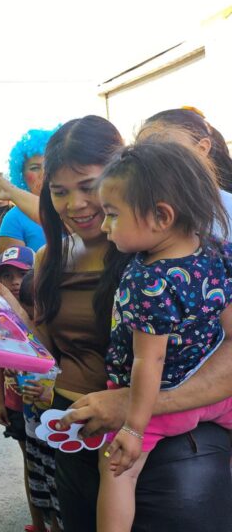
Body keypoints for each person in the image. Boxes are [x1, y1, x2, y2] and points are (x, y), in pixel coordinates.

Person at [0, 115, 232, 532]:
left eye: (88, 186)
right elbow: (51, 353)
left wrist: (134, 406)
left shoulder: (169, 255)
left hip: (165, 453)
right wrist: (8, 317)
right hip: (74, 444)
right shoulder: (49, 258)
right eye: (59, 191)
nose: (76, 204)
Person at [95, 142, 232, 532]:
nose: (105, 227)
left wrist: (133, 428)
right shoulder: (218, 253)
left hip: (160, 406)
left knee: (118, 471)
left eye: (112, 215)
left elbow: (148, 361)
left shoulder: (148, 279)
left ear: (160, 216)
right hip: (219, 398)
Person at [0, 246, 57, 532]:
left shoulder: (49, 315)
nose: (15, 281)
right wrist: (0, 401)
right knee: (31, 466)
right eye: (7, 275)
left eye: (22, 273)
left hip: (51, 406)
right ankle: (38, 525)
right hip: (18, 406)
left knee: (54, 471)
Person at [135, 107, 232, 230]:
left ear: (202, 149)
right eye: (142, 149)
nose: (150, 158)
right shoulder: (138, 210)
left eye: (165, 147)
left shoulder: (228, 209)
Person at [0, 128, 54, 254]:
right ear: (21, 175)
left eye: (49, 165)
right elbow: (12, 273)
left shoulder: (72, 208)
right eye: (35, 168)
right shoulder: (13, 219)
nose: (44, 173)